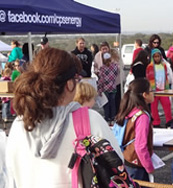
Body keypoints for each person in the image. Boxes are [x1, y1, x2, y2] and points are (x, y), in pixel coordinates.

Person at [5, 48, 123, 187]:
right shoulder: (90, 120)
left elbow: (10, 175)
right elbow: (117, 167)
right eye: (77, 79)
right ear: (69, 84)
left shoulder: (20, 124)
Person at [115, 78, 154, 182]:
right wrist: (149, 167)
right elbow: (140, 146)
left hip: (126, 158)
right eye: (151, 91)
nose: (153, 93)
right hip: (137, 164)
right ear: (144, 95)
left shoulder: (128, 111)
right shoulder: (142, 116)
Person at [146, 48, 172, 126]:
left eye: (158, 56)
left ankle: (169, 121)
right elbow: (148, 78)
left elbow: (166, 77)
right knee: (154, 107)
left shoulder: (163, 65)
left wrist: (167, 87)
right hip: (154, 89)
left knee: (167, 105)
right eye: (155, 57)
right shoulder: (149, 67)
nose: (157, 58)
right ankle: (156, 122)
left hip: (163, 88)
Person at [97, 52, 118, 125]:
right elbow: (116, 75)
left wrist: (99, 89)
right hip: (113, 87)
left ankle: (107, 118)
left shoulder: (102, 68)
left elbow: (101, 80)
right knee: (113, 104)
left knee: (106, 104)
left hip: (105, 89)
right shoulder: (115, 66)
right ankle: (113, 118)